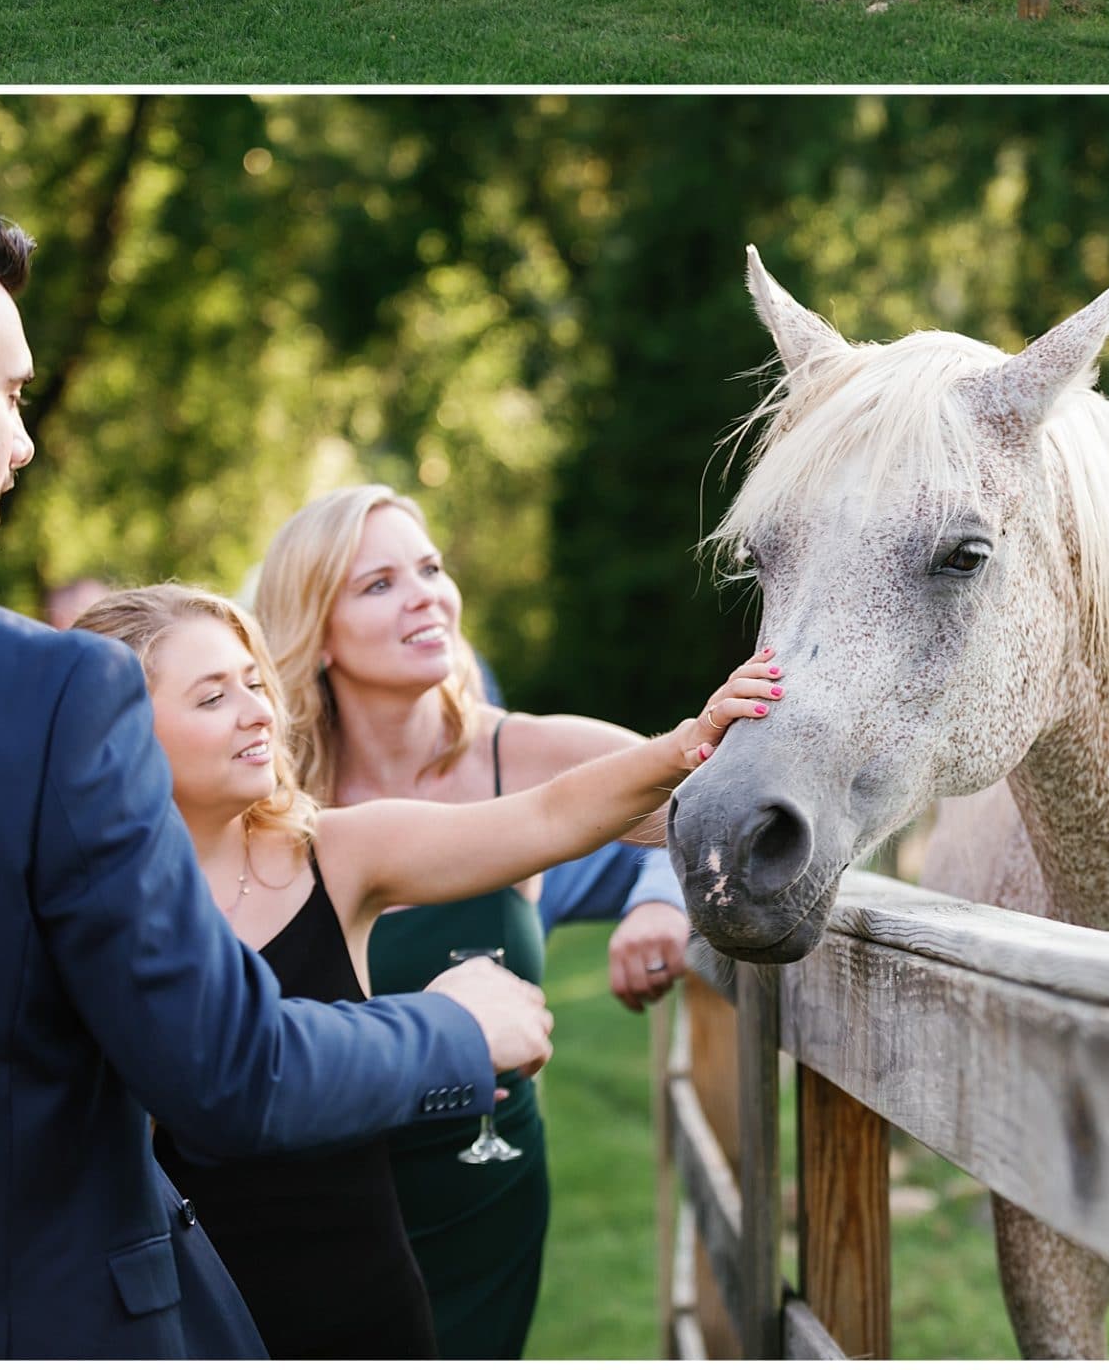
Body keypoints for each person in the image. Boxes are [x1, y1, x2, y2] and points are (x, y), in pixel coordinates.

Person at [0, 177, 552, 1361]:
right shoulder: (44, 693)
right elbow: (229, 1069)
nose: (24, 439)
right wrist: (450, 1031)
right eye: (14, 391)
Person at [79, 584, 777, 1360]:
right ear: (125, 732)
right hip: (189, 1325)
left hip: (366, 1307)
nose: (256, 712)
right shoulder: (88, 915)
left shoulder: (334, 854)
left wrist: (684, 743)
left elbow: (546, 816)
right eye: (213, 697)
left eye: (253, 682)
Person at [253, 487, 747, 1356]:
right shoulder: (271, 791)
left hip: (483, 1183)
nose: (425, 596)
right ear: (316, 631)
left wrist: (658, 905)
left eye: (430, 569)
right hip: (313, 1191)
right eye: (377, 584)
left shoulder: (518, 753)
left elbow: (714, 800)